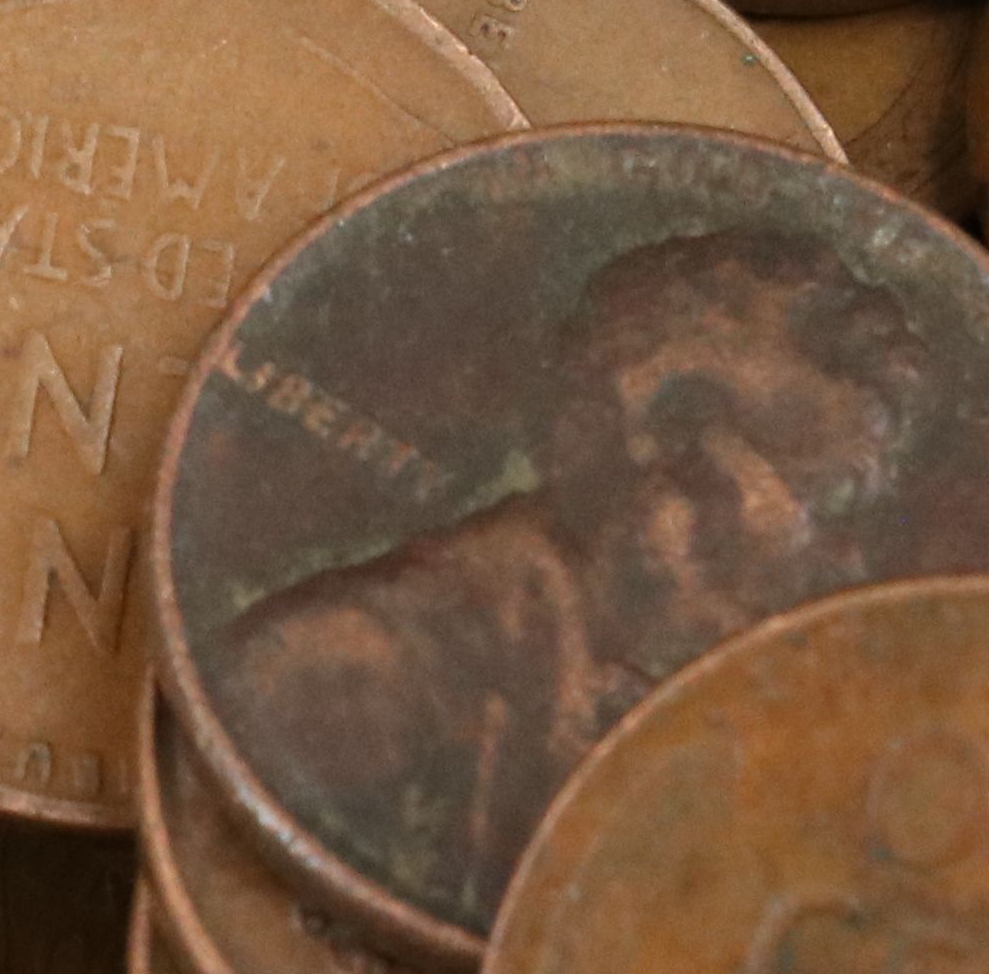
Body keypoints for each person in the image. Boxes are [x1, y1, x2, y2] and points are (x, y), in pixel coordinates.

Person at [208, 223, 932, 931]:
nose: (847, 564)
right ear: (679, 484)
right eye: (823, 501)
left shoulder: (617, 689)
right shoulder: (359, 667)